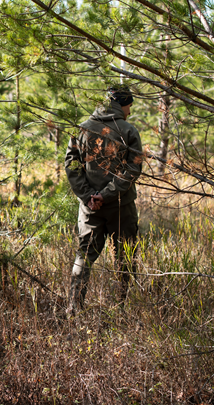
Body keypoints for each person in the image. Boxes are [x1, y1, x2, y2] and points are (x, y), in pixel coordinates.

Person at [64, 85, 143, 315]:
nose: (130, 110)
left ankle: (73, 309)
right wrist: (105, 194)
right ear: (122, 104)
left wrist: (89, 197)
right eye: (129, 105)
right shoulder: (128, 131)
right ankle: (121, 309)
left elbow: (72, 166)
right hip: (122, 206)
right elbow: (133, 169)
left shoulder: (82, 129)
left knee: (84, 256)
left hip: (90, 209)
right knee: (125, 258)